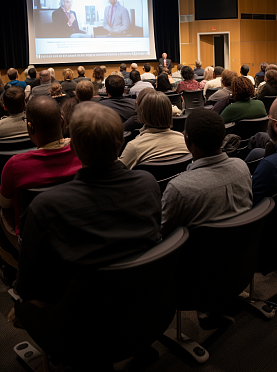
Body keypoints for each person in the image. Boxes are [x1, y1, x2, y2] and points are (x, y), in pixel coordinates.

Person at [16, 102, 162, 304]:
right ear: (121, 141)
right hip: (146, 304)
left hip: (77, 322)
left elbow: (27, 288)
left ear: (73, 148)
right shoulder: (148, 183)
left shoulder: (45, 207)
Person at [0, 96, 81, 252]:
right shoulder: (83, 153)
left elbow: (5, 205)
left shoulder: (14, 166)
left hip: (35, 246)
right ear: (62, 121)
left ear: (30, 127)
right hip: (77, 237)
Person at [161, 108, 252, 238]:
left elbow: (162, 236)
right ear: (222, 139)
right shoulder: (242, 167)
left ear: (187, 141)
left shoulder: (179, 189)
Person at [120, 91, 190, 169]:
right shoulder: (185, 142)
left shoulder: (134, 147)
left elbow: (117, 174)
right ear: (169, 113)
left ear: (142, 114)